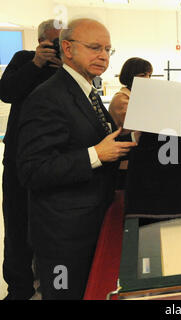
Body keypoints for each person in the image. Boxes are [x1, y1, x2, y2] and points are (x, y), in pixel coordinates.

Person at [16, 18, 138, 300]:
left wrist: (135, 140)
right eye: (95, 47)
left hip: (93, 222)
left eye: (108, 49)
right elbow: (33, 170)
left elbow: (96, 140)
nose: (104, 56)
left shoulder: (86, 92)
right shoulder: (47, 97)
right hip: (63, 238)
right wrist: (96, 154)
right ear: (67, 49)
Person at [0, 19, 62, 300]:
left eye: (66, 43)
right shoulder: (24, 59)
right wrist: (36, 64)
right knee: (16, 226)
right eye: (55, 43)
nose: (60, 49)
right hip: (17, 161)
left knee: (51, 227)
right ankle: (19, 288)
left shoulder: (69, 69)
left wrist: (67, 73)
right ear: (41, 41)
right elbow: (7, 92)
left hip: (54, 161)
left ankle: (51, 283)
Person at [109, 57, 153, 189]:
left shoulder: (138, 96)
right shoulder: (121, 99)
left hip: (138, 156)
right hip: (126, 159)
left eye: (149, 75)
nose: (147, 79)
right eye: (142, 75)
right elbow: (141, 124)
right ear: (130, 76)